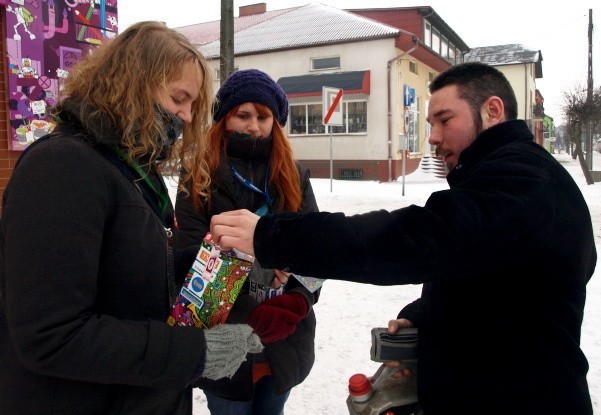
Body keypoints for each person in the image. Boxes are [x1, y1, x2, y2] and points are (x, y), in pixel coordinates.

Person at [209, 62, 596, 415]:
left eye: (444, 120)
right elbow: (499, 278)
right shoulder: (506, 179)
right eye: (430, 124)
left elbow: (414, 240)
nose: (432, 137)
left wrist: (268, 236)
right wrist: (427, 314)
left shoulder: (524, 181)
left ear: (492, 111)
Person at [0, 21, 263, 415]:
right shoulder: (62, 166)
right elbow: (52, 336)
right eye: (179, 98)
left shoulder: (132, 171)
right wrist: (193, 353)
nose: (188, 117)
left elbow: (126, 275)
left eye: (193, 106)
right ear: (133, 83)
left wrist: (213, 266)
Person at [175, 69, 320, 415]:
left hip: (285, 339)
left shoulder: (294, 176)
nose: (253, 126)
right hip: (226, 340)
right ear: (224, 118)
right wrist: (249, 312)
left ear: (276, 122)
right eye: (243, 115)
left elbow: (318, 249)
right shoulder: (199, 175)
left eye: (263, 116)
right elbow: (187, 255)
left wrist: (298, 300)